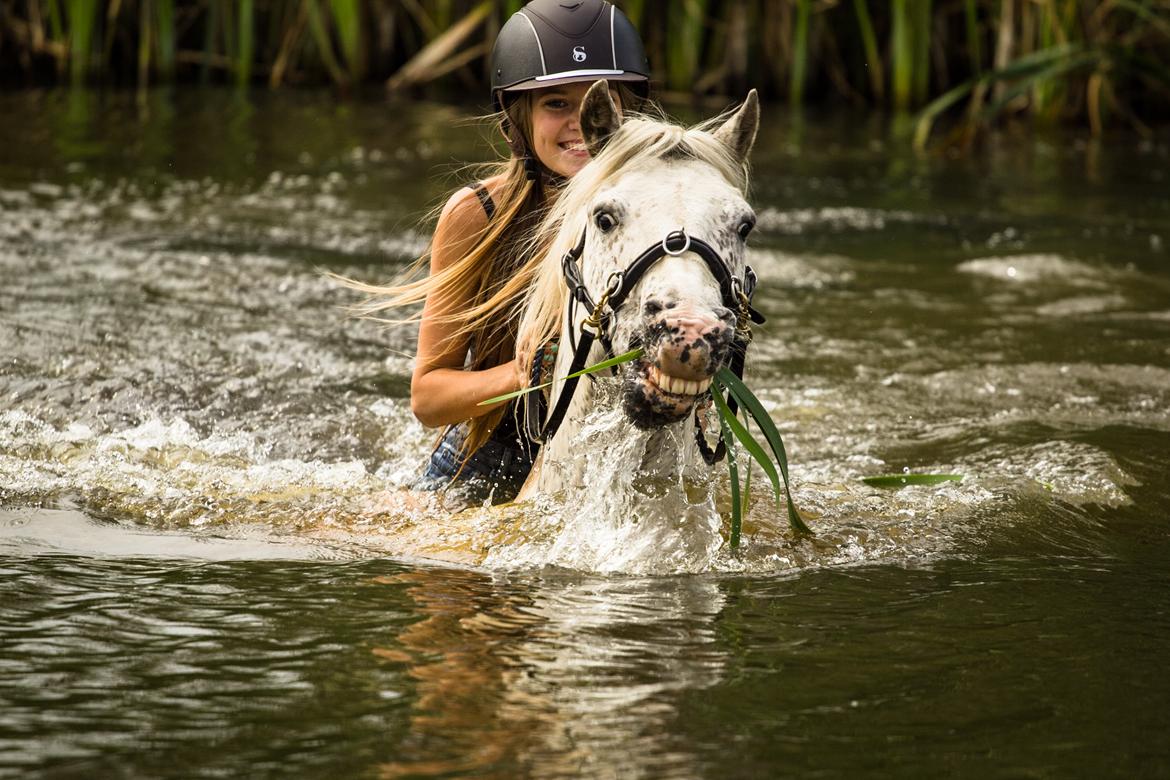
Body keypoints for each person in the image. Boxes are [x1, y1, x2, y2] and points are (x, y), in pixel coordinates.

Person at [358, 0, 651, 504]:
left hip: (614, 454)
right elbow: (428, 397)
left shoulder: (660, 215)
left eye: (597, 104)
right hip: (493, 456)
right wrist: (526, 372)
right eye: (556, 104)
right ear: (517, 120)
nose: (580, 123)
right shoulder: (478, 215)